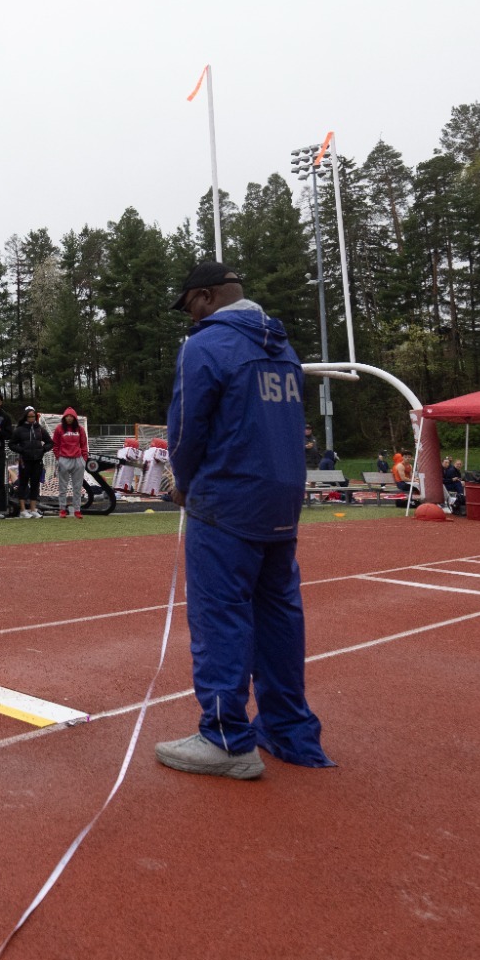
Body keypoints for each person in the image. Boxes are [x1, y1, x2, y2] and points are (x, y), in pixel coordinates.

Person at [155, 261, 333, 780]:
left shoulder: (206, 345)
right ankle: (290, 731)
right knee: (279, 614)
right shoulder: (283, 346)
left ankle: (227, 739)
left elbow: (186, 427)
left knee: (220, 615)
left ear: (206, 297)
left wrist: (183, 484)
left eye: (189, 307)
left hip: (227, 497)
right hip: (282, 499)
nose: (189, 319)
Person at [10, 407, 49, 518]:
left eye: (33, 416)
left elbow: (50, 442)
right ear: (26, 417)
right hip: (24, 461)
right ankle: (22, 510)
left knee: (35, 484)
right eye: (29, 416)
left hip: (37, 461)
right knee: (23, 484)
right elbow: (11, 444)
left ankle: (33, 509)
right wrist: (22, 450)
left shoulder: (40, 429)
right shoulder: (19, 430)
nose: (32, 418)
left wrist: (43, 450)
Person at [51, 408, 89, 519]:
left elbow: (84, 444)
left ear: (75, 418)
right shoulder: (59, 428)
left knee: (77, 487)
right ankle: (62, 509)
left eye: (71, 416)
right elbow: (55, 445)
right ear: (64, 417)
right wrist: (59, 458)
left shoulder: (80, 429)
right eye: (67, 416)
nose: (69, 418)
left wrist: (83, 459)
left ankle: (77, 510)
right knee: (63, 487)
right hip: (64, 459)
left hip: (78, 460)